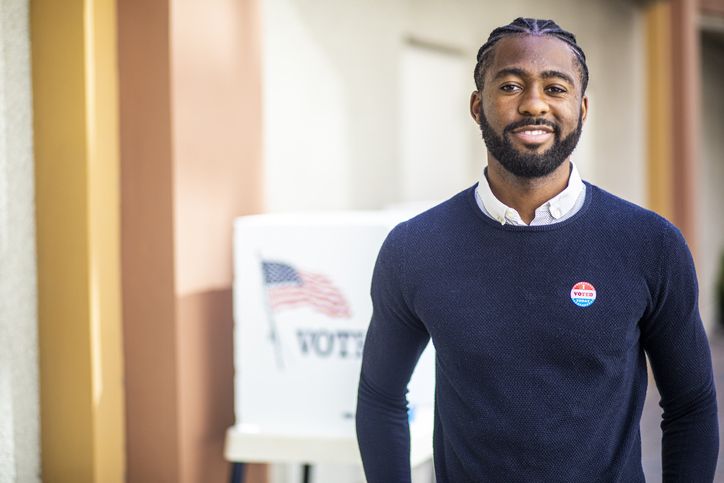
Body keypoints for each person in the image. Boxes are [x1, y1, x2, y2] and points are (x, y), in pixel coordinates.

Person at [356, 17, 719, 483]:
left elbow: (691, 406)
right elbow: (381, 396)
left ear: (582, 108)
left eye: (555, 88)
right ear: (476, 106)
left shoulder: (649, 245)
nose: (533, 105)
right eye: (510, 86)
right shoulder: (415, 248)